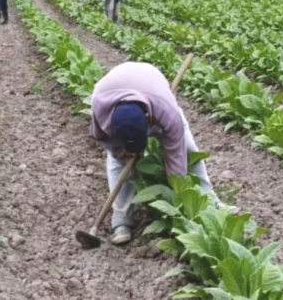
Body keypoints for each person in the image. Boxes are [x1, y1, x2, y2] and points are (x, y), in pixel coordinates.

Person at [89, 62, 228, 245]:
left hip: (151, 85)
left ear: (149, 120)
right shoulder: (100, 108)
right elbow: (102, 138)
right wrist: (121, 151)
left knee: (188, 148)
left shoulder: (166, 111)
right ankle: (121, 218)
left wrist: (181, 193)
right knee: (117, 163)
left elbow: (176, 156)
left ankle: (209, 201)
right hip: (116, 89)